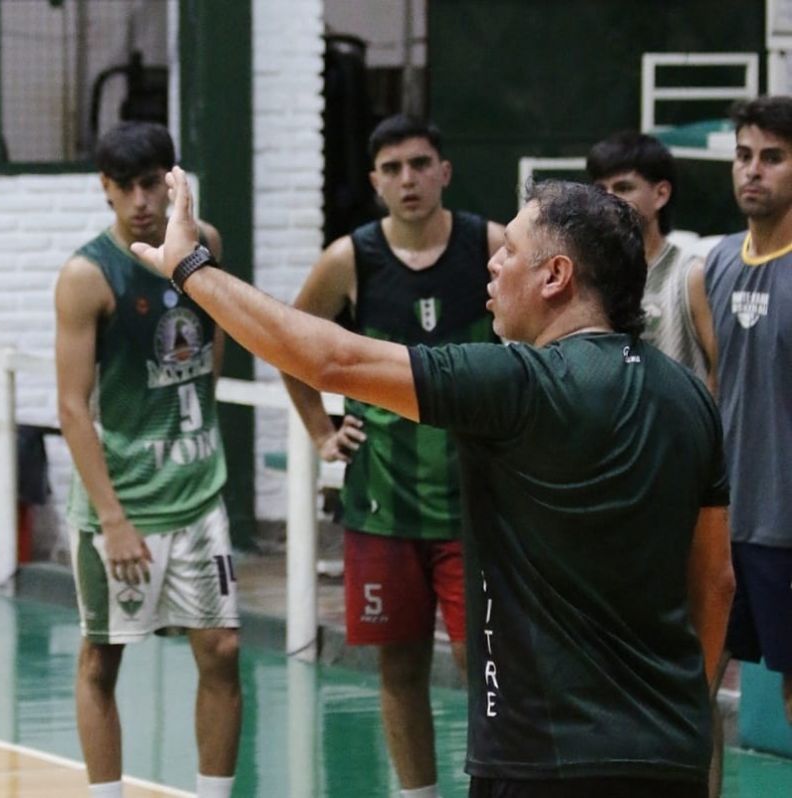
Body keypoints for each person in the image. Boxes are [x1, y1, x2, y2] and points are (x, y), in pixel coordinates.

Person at [135, 167, 735, 798]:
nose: (494, 266)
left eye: (511, 252)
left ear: (555, 277)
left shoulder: (517, 385)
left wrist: (190, 267)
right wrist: (678, 710)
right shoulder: (689, 398)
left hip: (543, 761)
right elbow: (716, 581)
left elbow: (329, 358)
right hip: (672, 754)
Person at [281, 114, 502, 798]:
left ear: (444, 171)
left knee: (485, 667)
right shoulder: (351, 259)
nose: (408, 179)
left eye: (419, 163)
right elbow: (292, 345)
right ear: (376, 182)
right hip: (382, 508)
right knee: (398, 670)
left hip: (475, 506)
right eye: (392, 169)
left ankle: (498, 786)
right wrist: (321, 432)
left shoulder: (491, 246)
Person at [53, 122, 240, 798]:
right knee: (103, 658)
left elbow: (214, 338)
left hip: (197, 493)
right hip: (124, 504)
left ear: (172, 180)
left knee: (222, 649)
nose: (141, 200)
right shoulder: (87, 275)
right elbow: (73, 408)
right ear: (105, 188)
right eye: (125, 186)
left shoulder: (205, 245)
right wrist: (113, 519)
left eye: (152, 183)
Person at [695, 95, 792, 796]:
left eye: (774, 157)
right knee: (692, 692)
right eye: (744, 155)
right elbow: (715, 389)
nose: (753, 171)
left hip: (789, 526)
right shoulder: (715, 266)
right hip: (722, 524)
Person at [587, 130, 713, 386]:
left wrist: (700, 426)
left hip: (678, 424)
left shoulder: (691, 274)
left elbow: (720, 374)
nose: (609, 199)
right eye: (600, 189)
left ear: (661, 194)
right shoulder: (591, 276)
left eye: (623, 187)